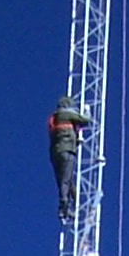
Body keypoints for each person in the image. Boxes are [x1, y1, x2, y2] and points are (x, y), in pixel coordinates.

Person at [47, 94, 88, 222]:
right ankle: (64, 206)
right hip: (67, 149)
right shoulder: (67, 114)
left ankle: (72, 201)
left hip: (55, 153)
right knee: (65, 180)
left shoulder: (53, 118)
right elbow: (84, 121)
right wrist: (87, 111)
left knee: (64, 180)